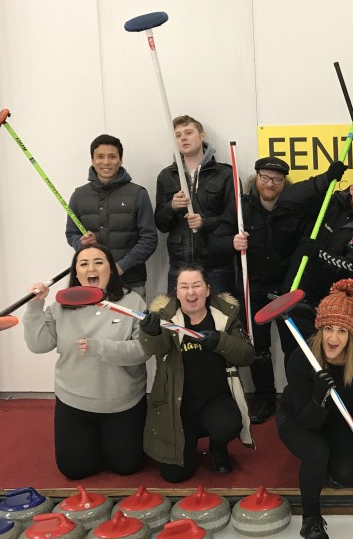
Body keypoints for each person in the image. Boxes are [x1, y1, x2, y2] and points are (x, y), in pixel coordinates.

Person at [276, 279, 353, 539]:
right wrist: (319, 394)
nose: (333, 338)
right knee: (316, 452)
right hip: (299, 417)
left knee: (346, 474)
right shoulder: (301, 358)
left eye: (341, 330)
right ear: (320, 328)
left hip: (336, 420)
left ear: (351, 333)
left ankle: (322, 461)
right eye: (328, 328)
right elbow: (307, 420)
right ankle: (311, 520)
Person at [23, 244, 149, 480]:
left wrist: (100, 347)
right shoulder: (60, 305)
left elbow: (142, 351)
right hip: (74, 401)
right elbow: (39, 345)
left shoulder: (133, 302)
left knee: (127, 466)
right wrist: (35, 305)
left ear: (111, 269)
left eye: (99, 262)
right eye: (83, 264)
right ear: (76, 273)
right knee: (75, 469)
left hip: (123, 402)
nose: (91, 268)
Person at [209, 156, 303, 425]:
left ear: (284, 182)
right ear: (256, 178)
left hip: (286, 289)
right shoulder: (240, 207)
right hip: (253, 289)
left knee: (294, 347)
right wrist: (232, 242)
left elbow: (304, 247)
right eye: (265, 177)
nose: (270, 183)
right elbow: (213, 244)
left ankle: (296, 397)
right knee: (258, 348)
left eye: (276, 179)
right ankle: (264, 398)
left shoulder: (294, 208)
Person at [138, 265, 255, 482]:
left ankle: (217, 446)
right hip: (177, 405)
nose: (191, 292)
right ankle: (185, 443)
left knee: (227, 425)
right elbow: (154, 348)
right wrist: (150, 332)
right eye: (184, 287)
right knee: (174, 475)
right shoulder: (165, 318)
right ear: (176, 292)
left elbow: (247, 356)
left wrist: (220, 341)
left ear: (207, 289)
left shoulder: (225, 315)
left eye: (196, 286)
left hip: (215, 401)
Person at [279, 166, 353, 345]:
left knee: (321, 353)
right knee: (292, 351)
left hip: (328, 303)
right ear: (352, 188)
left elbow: (351, 266)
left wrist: (318, 255)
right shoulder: (330, 201)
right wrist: (325, 178)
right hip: (294, 287)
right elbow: (288, 200)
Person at [66, 134, 157, 299]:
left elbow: (149, 239)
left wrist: (121, 266)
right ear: (92, 160)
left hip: (130, 282)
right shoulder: (78, 196)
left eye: (112, 157)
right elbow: (71, 233)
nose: (106, 162)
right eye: (100, 156)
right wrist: (81, 243)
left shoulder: (138, 194)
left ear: (120, 160)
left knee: (134, 318)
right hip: (91, 282)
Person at [154, 115, 236, 294]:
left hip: (217, 266)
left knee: (222, 313)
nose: (183, 138)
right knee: (177, 313)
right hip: (180, 267)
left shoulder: (224, 174)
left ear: (202, 136)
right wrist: (171, 207)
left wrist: (204, 223)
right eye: (178, 135)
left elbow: (234, 221)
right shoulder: (166, 176)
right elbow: (160, 224)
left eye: (188, 132)